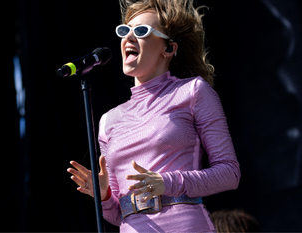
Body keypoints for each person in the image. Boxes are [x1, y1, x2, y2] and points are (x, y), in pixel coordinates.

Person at [67, 0, 240, 231]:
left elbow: (230, 173)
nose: (128, 37)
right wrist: (105, 196)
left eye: (141, 31)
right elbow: (118, 214)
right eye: (124, 30)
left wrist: (168, 182)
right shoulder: (109, 120)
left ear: (168, 49)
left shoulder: (193, 91)